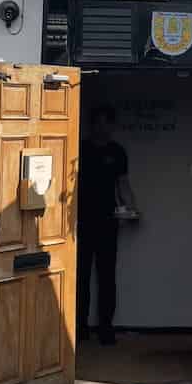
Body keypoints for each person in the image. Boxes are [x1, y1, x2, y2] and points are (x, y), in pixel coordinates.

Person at [77, 107, 135, 346]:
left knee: (106, 277)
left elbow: (123, 184)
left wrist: (132, 208)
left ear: (111, 126)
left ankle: (105, 328)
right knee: (80, 277)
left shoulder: (117, 152)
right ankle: (79, 328)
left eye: (106, 123)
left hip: (108, 221)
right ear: (92, 125)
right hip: (80, 222)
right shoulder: (79, 148)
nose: (102, 127)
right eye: (97, 123)